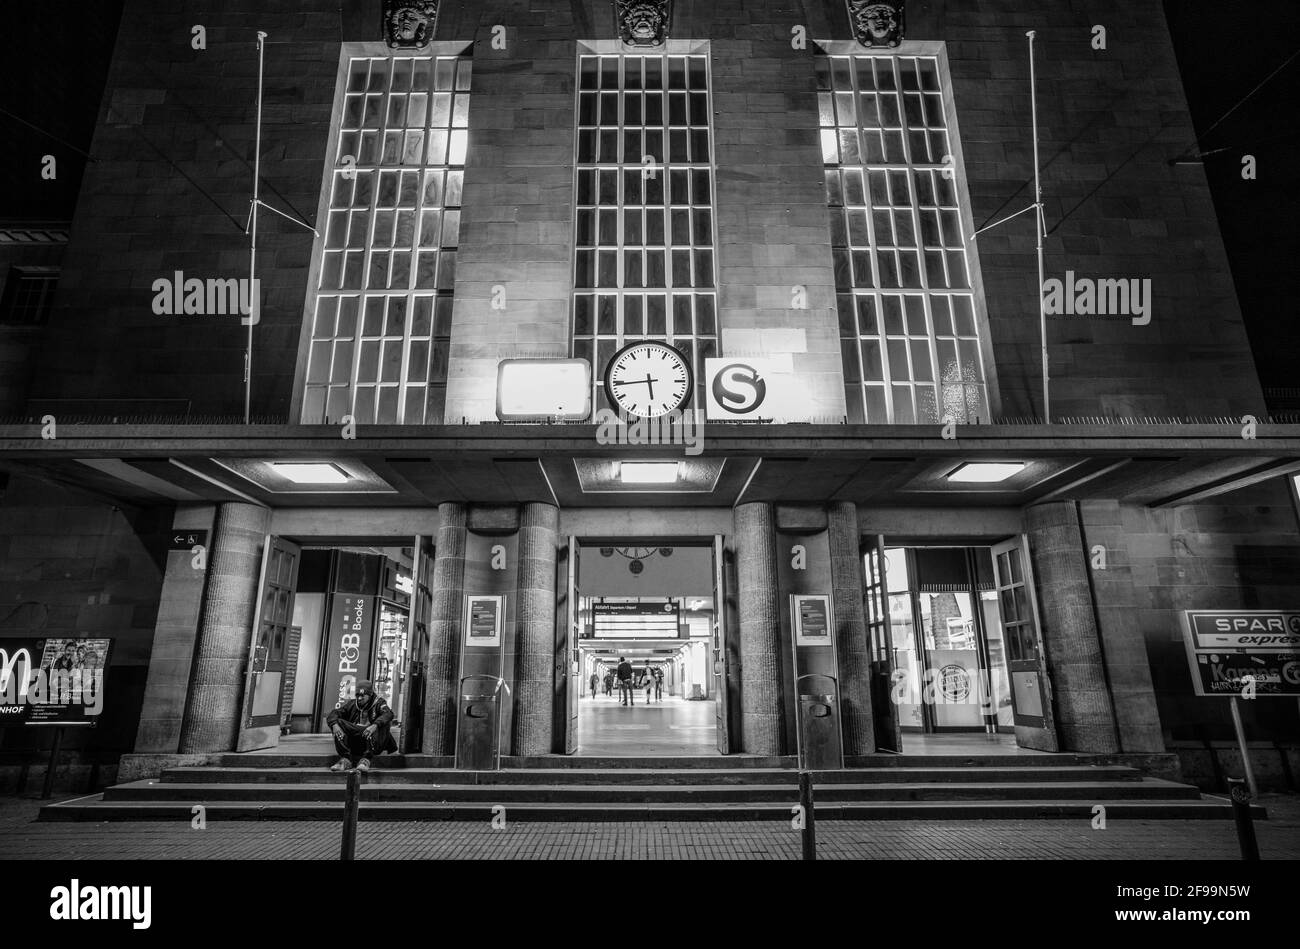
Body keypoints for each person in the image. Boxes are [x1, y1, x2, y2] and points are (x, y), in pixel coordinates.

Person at [327, 678, 397, 773]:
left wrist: (375, 725)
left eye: (362, 696)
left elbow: (388, 714)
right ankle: (345, 760)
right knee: (337, 721)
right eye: (357, 695)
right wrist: (334, 724)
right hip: (357, 741)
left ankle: (365, 760)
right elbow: (334, 713)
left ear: (370, 694)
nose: (359, 698)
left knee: (383, 722)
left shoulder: (379, 703)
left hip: (374, 742)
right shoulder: (352, 704)